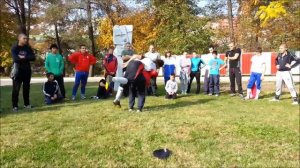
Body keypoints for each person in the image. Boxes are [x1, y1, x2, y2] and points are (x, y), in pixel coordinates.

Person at [11, 33, 36, 112]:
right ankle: (15, 106)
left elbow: (33, 57)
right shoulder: (14, 48)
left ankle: (26, 104)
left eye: (26, 38)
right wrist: (26, 58)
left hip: (26, 71)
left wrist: (23, 57)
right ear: (19, 38)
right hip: (17, 71)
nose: (25, 40)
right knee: (16, 89)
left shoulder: (27, 48)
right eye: (24, 38)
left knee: (26, 88)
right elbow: (15, 59)